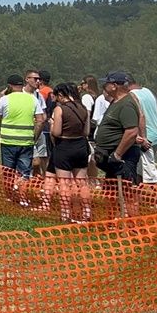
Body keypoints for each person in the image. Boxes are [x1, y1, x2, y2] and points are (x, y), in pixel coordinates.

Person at [49, 82, 92, 221]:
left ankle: (65, 214)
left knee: (64, 183)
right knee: (82, 182)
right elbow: (86, 131)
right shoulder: (83, 108)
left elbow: (56, 132)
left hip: (64, 146)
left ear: (61, 95)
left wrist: (51, 125)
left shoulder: (59, 109)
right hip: (80, 146)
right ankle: (87, 212)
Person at [0, 74, 43, 186]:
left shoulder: (5, 99)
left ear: (9, 86)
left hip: (8, 142)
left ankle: (10, 196)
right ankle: (23, 197)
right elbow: (40, 121)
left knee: (8, 172)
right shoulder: (32, 99)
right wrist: (34, 137)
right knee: (24, 172)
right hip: (26, 141)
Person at [93, 71, 142, 187]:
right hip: (111, 157)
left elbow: (131, 131)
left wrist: (117, 154)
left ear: (114, 86)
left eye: (106, 84)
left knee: (125, 192)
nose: (104, 86)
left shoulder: (126, 104)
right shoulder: (116, 101)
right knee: (112, 191)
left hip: (123, 157)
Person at [127, 76, 157, 185]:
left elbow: (140, 116)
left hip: (145, 138)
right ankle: (139, 197)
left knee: (150, 172)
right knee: (141, 169)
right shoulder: (148, 91)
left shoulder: (131, 95)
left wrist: (142, 137)